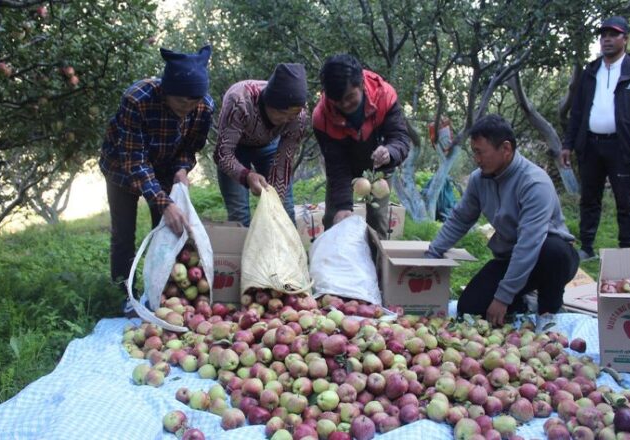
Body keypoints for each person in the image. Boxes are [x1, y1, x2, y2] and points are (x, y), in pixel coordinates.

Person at [425, 115, 579, 328]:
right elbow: (460, 219)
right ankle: (522, 303)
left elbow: (529, 244)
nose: (477, 159)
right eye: (474, 152)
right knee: (469, 308)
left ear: (505, 149)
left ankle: (548, 311)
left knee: (555, 251)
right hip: (511, 257)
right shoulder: (480, 179)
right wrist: (432, 253)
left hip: (546, 257)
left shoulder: (534, 183)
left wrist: (503, 297)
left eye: (481, 152)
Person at [99, 45, 214, 314]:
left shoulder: (204, 107)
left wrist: (182, 169)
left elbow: (189, 147)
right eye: (181, 102)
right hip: (121, 168)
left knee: (168, 231)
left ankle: (163, 292)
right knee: (123, 233)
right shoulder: (137, 99)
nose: (188, 108)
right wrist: (164, 202)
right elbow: (134, 161)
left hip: (164, 166)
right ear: (166, 91)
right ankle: (123, 293)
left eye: (193, 102)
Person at [561, 16, 630, 261]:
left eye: (613, 34)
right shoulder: (591, 71)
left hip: (622, 146)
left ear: (625, 39)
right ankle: (587, 247)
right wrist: (568, 144)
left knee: (625, 201)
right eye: (603, 34)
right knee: (589, 199)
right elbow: (578, 111)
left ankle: (627, 251)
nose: (606, 39)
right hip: (591, 145)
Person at [312, 54, 410, 238]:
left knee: (377, 220)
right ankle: (334, 264)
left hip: (379, 167)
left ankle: (377, 265)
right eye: (338, 101)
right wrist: (343, 206)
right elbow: (336, 165)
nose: (345, 105)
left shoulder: (384, 96)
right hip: (345, 169)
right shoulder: (321, 118)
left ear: (362, 85)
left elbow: (400, 138)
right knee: (334, 219)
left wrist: (390, 152)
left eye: (350, 97)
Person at [214, 63, 308, 225]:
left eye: (291, 116)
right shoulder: (239, 101)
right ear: (268, 102)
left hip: (269, 146)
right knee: (239, 214)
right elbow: (222, 154)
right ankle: (241, 249)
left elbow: (283, 162)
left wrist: (275, 202)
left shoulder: (298, 117)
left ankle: (285, 250)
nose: (286, 120)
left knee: (283, 209)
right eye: (282, 114)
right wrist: (247, 176)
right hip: (235, 148)